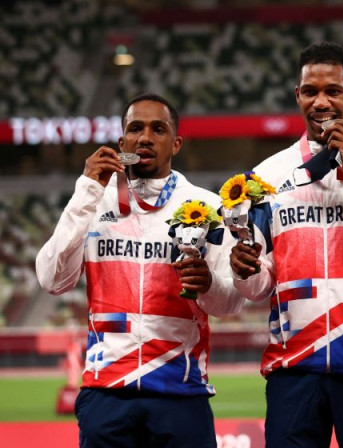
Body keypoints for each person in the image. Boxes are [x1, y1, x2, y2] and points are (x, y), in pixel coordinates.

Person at [229, 41, 343, 448]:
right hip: (293, 368)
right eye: (310, 92)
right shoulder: (266, 175)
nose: (321, 102)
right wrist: (244, 270)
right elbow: (260, 287)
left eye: (332, 90)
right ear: (297, 96)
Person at [36, 93, 243, 448]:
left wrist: (208, 284)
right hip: (106, 394)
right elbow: (52, 280)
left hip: (180, 392)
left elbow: (230, 304)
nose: (145, 137)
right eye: (135, 129)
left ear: (175, 143)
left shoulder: (207, 206)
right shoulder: (93, 201)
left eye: (158, 129)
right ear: (122, 142)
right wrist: (86, 190)